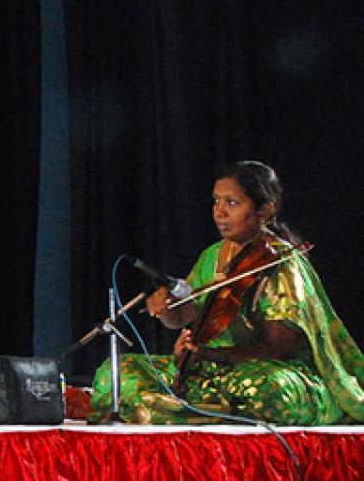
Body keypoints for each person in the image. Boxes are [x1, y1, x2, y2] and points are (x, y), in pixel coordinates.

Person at [90, 161, 364, 425]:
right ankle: (192, 409)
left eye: (232, 203)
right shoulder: (212, 255)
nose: (219, 211)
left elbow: (280, 348)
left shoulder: (280, 264)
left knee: (266, 391)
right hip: (214, 371)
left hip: (270, 372)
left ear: (265, 211)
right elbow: (187, 313)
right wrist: (168, 309)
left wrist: (212, 355)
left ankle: (173, 408)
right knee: (113, 374)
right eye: (216, 201)